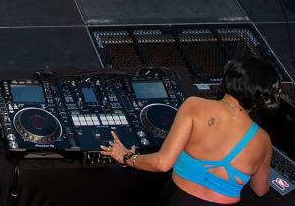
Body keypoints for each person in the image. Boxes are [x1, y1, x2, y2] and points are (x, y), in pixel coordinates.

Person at [100, 54, 278, 202]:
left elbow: (162, 163)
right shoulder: (263, 140)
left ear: (227, 78)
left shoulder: (195, 106)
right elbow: (260, 190)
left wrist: (127, 157)